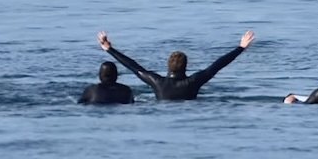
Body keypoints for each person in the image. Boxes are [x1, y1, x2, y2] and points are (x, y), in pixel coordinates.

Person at [96, 30, 255, 100]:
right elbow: (217, 66)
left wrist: (109, 49)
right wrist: (240, 48)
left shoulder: (157, 82)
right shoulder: (193, 82)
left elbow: (134, 67)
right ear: (186, 66)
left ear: (168, 66)